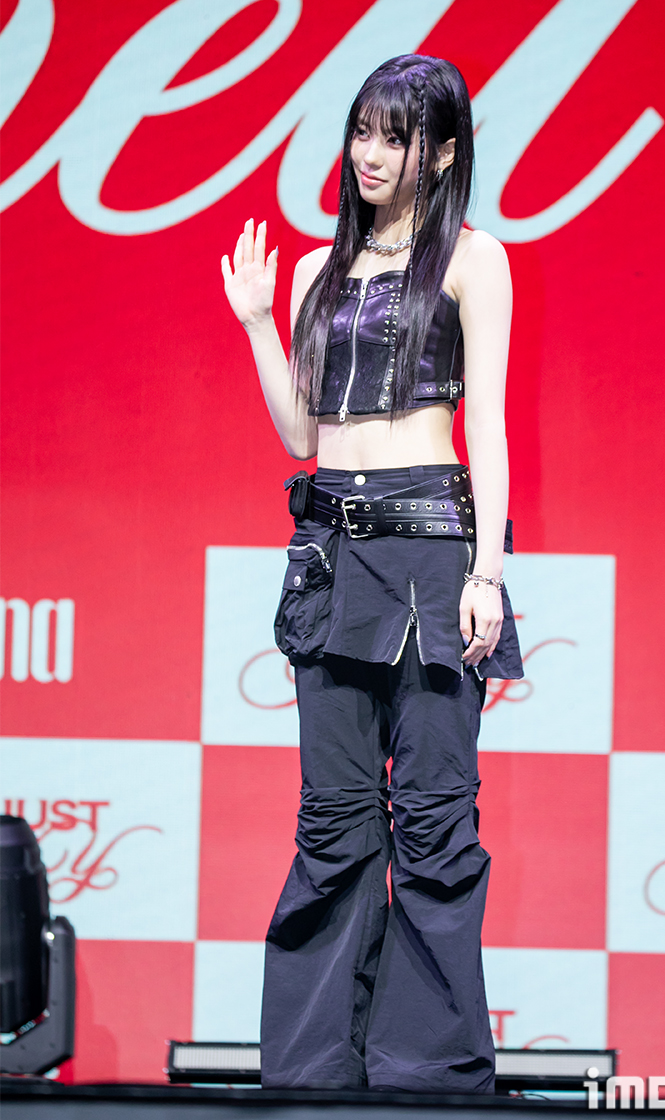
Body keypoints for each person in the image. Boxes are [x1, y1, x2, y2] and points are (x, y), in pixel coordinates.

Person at [222, 54, 523, 1095]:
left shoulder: (474, 259)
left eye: (396, 137)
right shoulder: (319, 268)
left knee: (434, 819)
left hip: (433, 550)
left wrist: (488, 570)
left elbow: (486, 422)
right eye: (361, 130)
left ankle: (426, 1076)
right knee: (333, 818)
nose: (371, 153)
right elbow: (301, 432)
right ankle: (312, 1073)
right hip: (332, 552)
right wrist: (258, 323)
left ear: (440, 153)